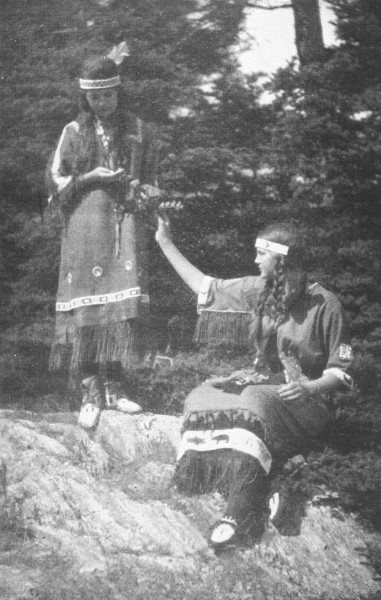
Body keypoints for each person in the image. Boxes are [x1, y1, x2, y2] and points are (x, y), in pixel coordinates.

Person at [155, 217, 354, 549]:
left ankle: (240, 510)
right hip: (264, 387)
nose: (255, 261)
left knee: (254, 401)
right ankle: (212, 475)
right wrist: (165, 242)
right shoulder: (260, 289)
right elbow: (207, 287)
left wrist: (308, 386)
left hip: (308, 401)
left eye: (262, 254)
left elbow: (342, 373)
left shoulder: (325, 304)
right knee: (201, 396)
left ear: (282, 259)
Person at [47, 55, 160, 413]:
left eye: (109, 95)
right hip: (83, 225)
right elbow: (56, 181)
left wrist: (147, 191)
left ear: (118, 92)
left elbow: (152, 176)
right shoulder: (73, 132)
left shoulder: (138, 129)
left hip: (121, 225)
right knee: (86, 305)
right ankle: (89, 393)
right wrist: (93, 176)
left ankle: (116, 388)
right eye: (96, 98)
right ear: (86, 99)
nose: (103, 103)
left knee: (118, 308)